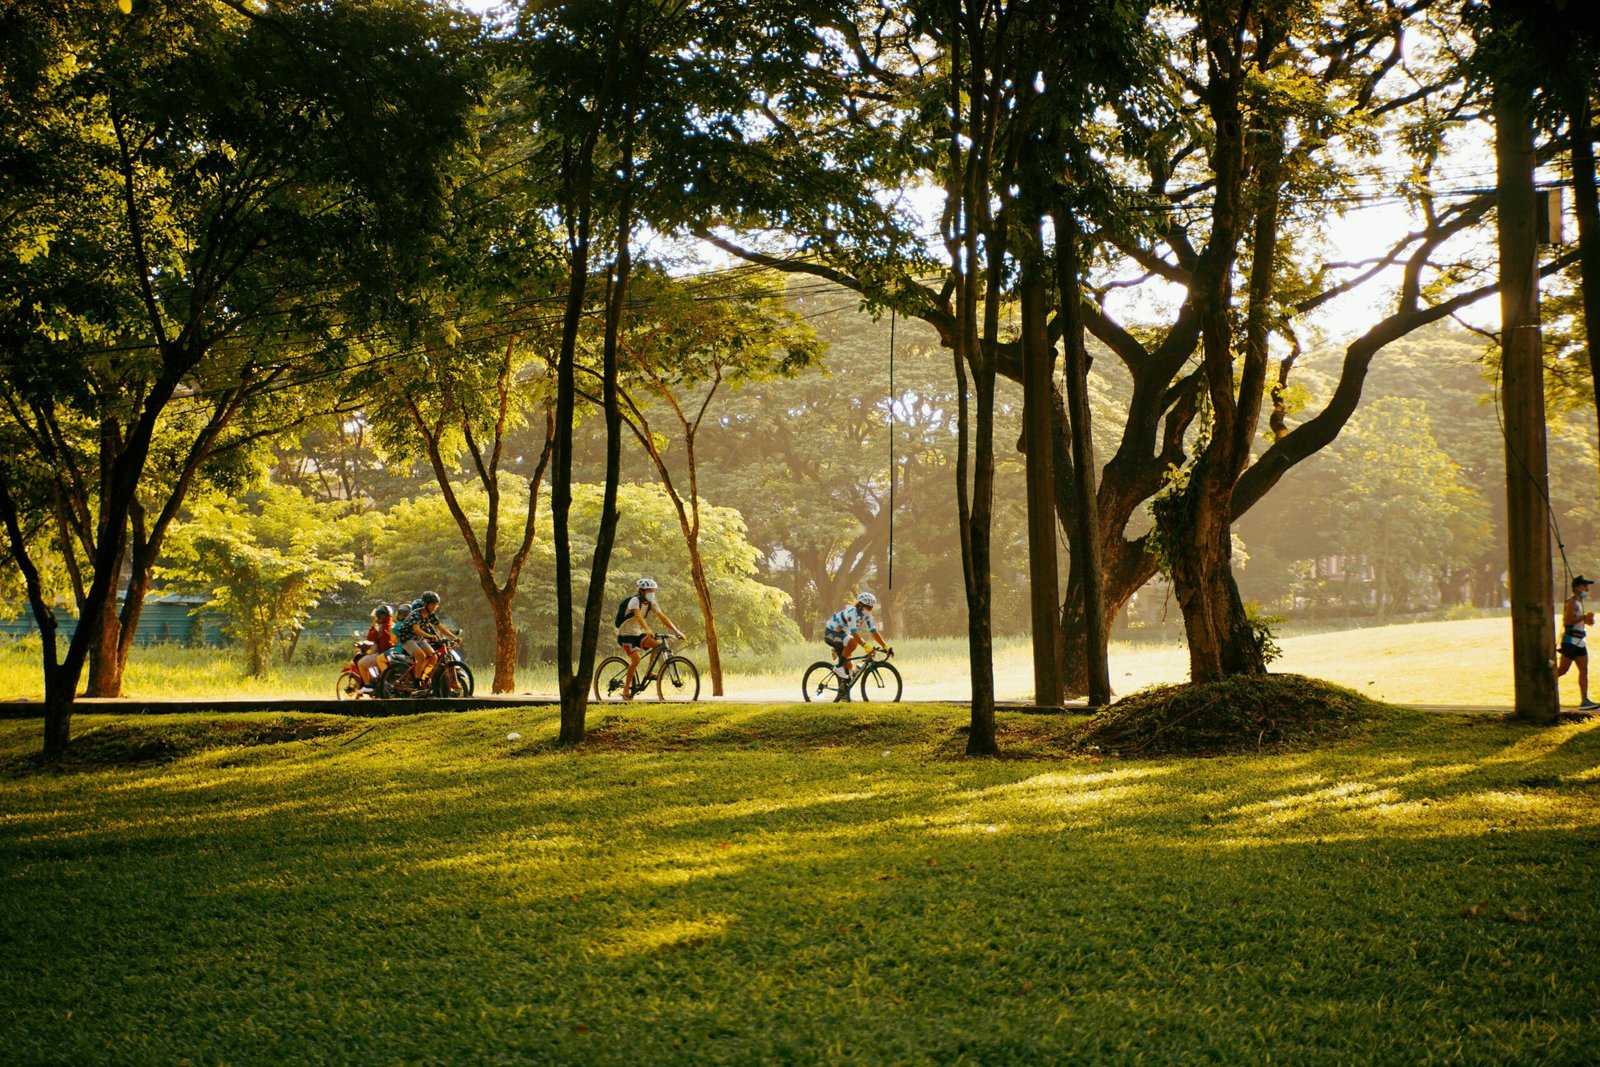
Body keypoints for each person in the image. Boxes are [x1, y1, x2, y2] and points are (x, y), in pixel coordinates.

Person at [616, 578, 684, 700]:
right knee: (636, 660)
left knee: (658, 646)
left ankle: (648, 672)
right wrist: (647, 629)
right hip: (625, 635)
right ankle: (626, 690)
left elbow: (662, 617)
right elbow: (638, 616)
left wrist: (677, 631)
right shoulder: (634, 601)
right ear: (642, 591)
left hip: (637, 634)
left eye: (653, 590)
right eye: (649, 590)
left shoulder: (652, 603)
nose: (652, 592)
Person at [823, 591, 891, 702]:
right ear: (860, 605)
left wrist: (885, 646)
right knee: (853, 642)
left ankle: (844, 696)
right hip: (831, 633)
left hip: (842, 635)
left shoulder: (867, 616)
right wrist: (865, 645)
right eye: (868, 607)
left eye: (871, 608)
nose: (870, 609)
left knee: (849, 667)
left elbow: (874, 632)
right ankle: (838, 666)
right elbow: (854, 633)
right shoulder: (852, 613)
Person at [393, 590, 458, 685]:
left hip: (417, 638)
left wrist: (454, 637)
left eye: (436, 604)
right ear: (426, 604)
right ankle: (417, 681)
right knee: (421, 656)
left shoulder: (431, 615)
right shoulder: (416, 614)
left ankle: (422, 676)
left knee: (433, 657)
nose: (435, 607)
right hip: (406, 638)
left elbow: (441, 628)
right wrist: (430, 636)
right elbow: (416, 629)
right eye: (433, 604)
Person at [1556, 575, 1600, 711]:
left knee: (1584, 670)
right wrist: (1583, 617)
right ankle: (1542, 688)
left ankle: (1585, 700)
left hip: (1580, 642)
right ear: (1577, 588)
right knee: (1562, 670)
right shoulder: (1571, 602)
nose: (1587, 589)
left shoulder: (1580, 602)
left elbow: (1580, 620)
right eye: (1584, 586)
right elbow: (1567, 621)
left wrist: (1588, 620)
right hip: (1570, 642)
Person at [355, 604, 396, 696]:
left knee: (361, 663)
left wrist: (374, 625)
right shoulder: (393, 625)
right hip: (393, 654)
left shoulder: (379, 627)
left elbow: (370, 638)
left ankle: (367, 685)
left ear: (379, 616)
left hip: (382, 655)